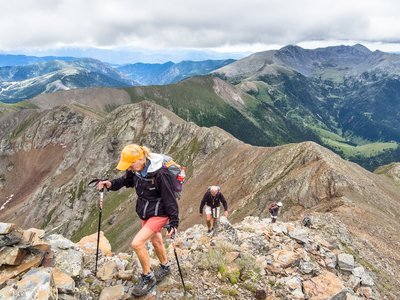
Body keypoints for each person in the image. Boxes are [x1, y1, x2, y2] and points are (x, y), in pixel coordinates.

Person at [98, 144, 179, 297]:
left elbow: (170, 198)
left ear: (140, 159)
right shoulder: (135, 169)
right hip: (146, 210)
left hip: (159, 212)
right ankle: (165, 266)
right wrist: (110, 184)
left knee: (137, 243)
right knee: (156, 241)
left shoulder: (160, 173)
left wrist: (174, 223)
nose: (128, 168)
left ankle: (148, 277)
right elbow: (127, 181)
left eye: (130, 164)